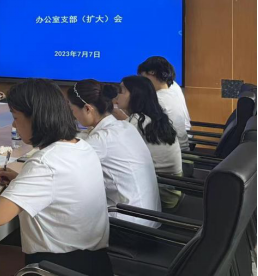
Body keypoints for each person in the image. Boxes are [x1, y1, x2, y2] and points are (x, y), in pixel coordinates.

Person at [0, 79, 113, 276]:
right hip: (96, 261)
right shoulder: (82, 146)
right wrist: (21, 179)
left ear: (36, 118)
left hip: (58, 267)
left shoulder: (45, 162)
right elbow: (59, 184)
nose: (14, 124)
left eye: (16, 117)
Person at [67, 79, 161, 227]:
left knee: (66, 206)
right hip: (149, 218)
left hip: (130, 226)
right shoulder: (125, 126)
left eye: (73, 110)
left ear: (87, 109)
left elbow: (65, 165)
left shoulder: (102, 139)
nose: (74, 116)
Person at [115, 75, 183, 208]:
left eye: (121, 91)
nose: (117, 96)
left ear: (135, 95)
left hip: (160, 194)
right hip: (173, 188)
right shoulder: (155, 117)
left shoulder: (136, 122)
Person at [137, 56, 190, 150]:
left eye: (143, 78)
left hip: (173, 150)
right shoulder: (173, 90)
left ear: (152, 73)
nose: (142, 83)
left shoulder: (157, 99)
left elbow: (139, 126)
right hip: (181, 146)